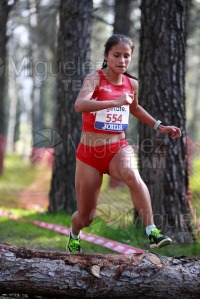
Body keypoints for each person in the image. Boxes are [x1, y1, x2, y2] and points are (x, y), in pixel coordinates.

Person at [66, 34, 182, 253]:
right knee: (86, 217)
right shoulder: (95, 79)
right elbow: (79, 105)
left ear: (131, 58)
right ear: (106, 56)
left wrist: (160, 126)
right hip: (89, 155)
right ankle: (74, 232)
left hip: (117, 148)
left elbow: (135, 109)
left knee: (132, 174)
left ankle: (152, 230)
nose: (122, 60)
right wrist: (114, 101)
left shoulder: (132, 84)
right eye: (116, 55)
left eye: (126, 56)